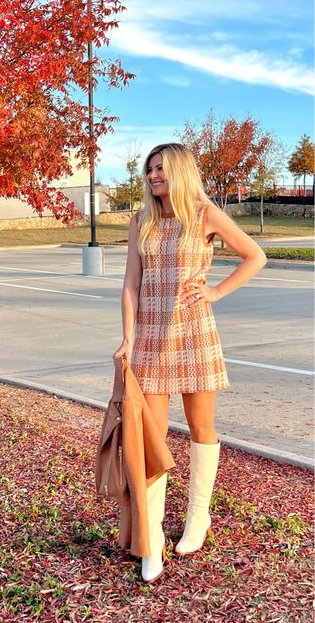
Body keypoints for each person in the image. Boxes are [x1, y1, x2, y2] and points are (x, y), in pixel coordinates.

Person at [113, 143, 267, 583]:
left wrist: (216, 292)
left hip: (195, 333)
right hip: (151, 340)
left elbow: (254, 255)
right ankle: (152, 537)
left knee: (201, 429)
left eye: (161, 168)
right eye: (149, 170)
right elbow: (130, 282)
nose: (153, 176)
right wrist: (127, 335)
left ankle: (198, 518)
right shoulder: (140, 220)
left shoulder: (205, 215)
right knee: (151, 437)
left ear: (180, 171)